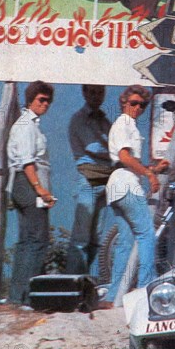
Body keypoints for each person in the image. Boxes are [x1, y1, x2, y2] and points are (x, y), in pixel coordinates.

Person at [101, 85, 169, 309]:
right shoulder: (124, 124)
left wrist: (154, 168)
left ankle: (114, 295)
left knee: (125, 241)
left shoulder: (128, 125)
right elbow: (123, 157)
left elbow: (131, 162)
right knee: (147, 234)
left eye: (142, 105)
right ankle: (144, 289)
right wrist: (149, 174)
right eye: (134, 103)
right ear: (124, 103)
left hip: (118, 187)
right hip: (126, 184)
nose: (138, 108)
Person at [7, 80, 56, 305]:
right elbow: (28, 162)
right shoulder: (27, 125)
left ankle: (17, 296)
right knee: (38, 240)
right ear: (30, 100)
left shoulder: (30, 124)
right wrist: (40, 190)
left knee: (27, 240)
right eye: (41, 99)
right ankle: (27, 297)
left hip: (23, 185)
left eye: (48, 100)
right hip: (28, 184)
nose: (45, 104)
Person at [65, 85, 113, 277]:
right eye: (92, 92)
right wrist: (119, 152)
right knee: (81, 237)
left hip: (105, 179)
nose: (96, 96)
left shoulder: (104, 120)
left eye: (99, 92)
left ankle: (84, 279)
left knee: (96, 237)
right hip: (88, 180)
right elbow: (93, 147)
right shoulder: (79, 119)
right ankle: (71, 281)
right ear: (84, 93)